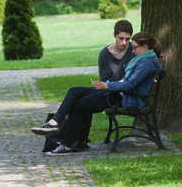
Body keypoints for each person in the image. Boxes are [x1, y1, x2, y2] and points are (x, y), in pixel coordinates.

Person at [32, 31, 163, 156]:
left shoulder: (146, 63)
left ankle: (68, 145)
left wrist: (108, 85)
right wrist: (109, 85)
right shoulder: (144, 60)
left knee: (77, 106)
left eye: (135, 48)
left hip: (124, 97)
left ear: (144, 47)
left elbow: (130, 84)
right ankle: (54, 123)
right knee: (74, 91)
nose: (132, 51)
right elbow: (128, 82)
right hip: (119, 92)